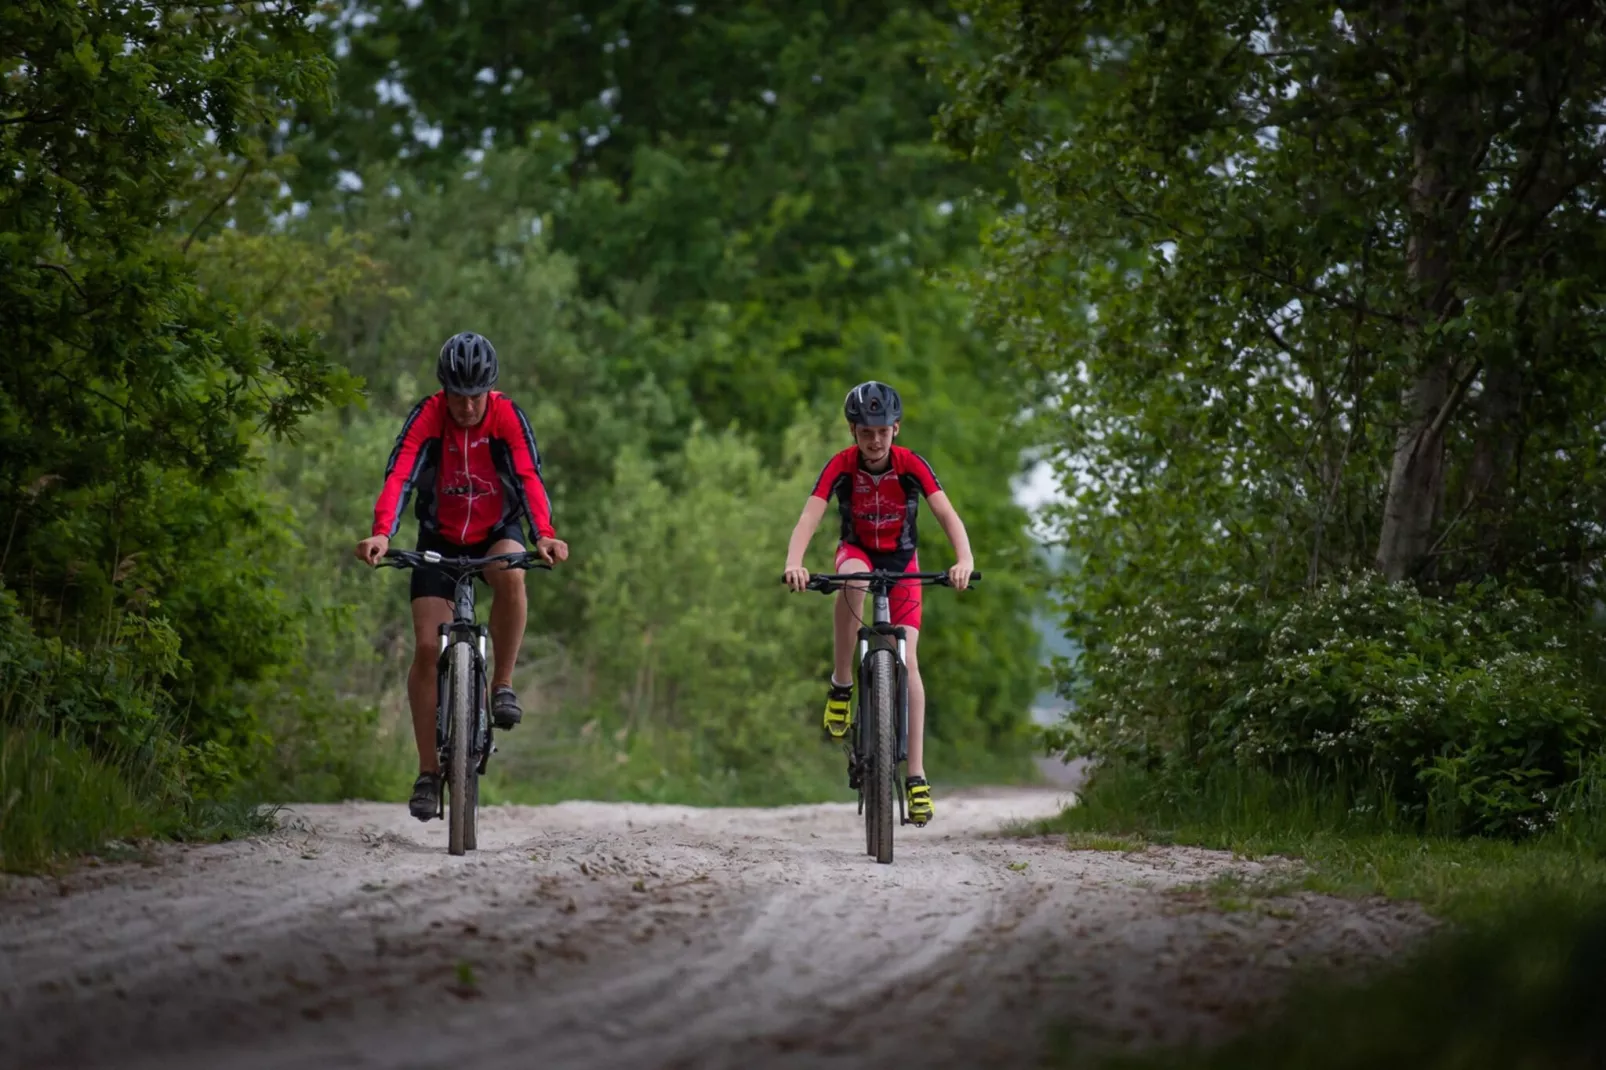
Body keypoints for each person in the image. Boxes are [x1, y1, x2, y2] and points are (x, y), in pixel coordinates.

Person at [354, 331, 569, 821]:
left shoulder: (507, 416)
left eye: (476, 396)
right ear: (443, 390)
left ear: (489, 390)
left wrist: (544, 534)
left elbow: (529, 476)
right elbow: (401, 475)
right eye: (457, 395)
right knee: (429, 648)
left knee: (510, 573)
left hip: (497, 529)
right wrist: (382, 534)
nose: (467, 407)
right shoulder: (428, 417)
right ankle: (430, 772)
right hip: (439, 536)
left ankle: (502, 685)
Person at [781, 381, 975, 826]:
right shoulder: (841, 467)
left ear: (896, 429)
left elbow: (947, 514)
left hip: (903, 562)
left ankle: (917, 776)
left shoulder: (911, 466)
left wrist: (964, 559)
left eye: (882, 431)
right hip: (858, 554)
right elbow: (809, 516)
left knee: (909, 657)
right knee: (851, 579)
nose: (874, 440)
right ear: (853, 430)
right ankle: (843, 685)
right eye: (865, 431)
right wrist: (795, 562)